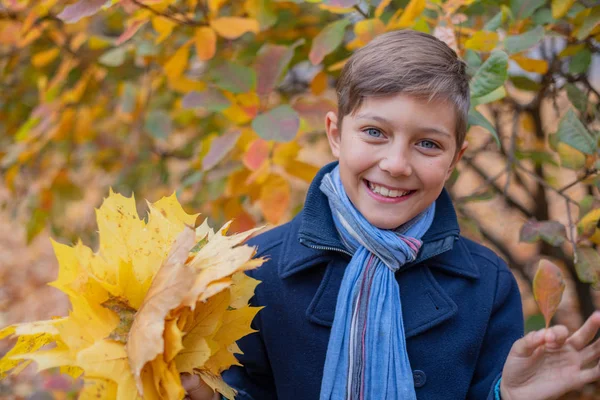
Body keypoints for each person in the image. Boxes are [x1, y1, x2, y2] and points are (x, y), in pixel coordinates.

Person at [183, 30, 600, 400]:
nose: (397, 164)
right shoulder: (257, 270)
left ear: (456, 158)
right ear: (335, 134)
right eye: (375, 133)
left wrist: (505, 395)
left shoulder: (487, 285)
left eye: (428, 144)